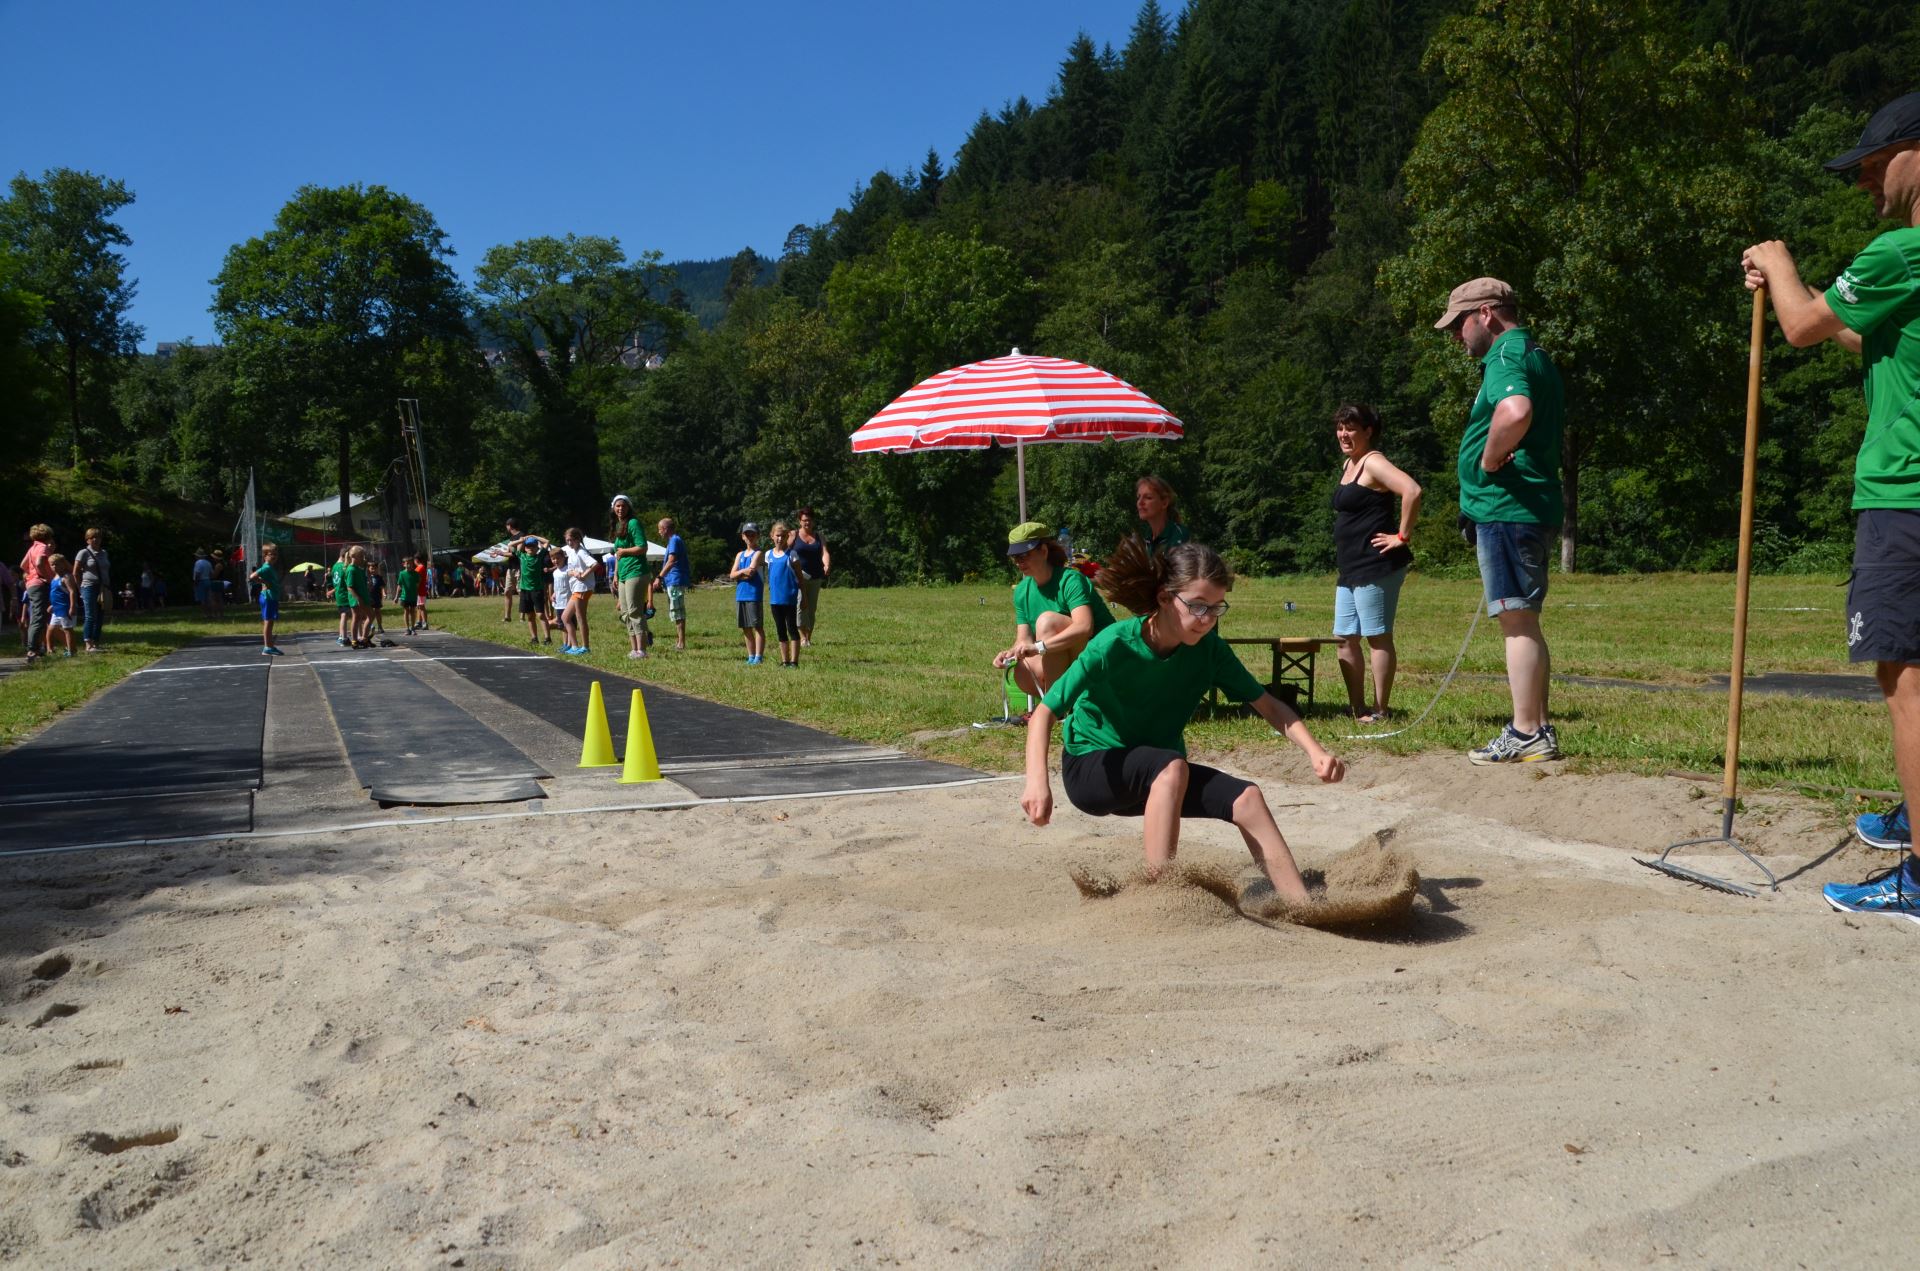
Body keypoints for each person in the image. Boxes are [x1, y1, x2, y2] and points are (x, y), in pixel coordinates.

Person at [1742, 92, 1920, 923]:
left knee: (1906, 677)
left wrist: (1779, 266)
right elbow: (1857, 329)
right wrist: (1808, 292)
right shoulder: (1903, 269)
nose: (1865, 184)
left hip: (1905, 492)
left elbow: (1806, 327)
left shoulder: (1902, 248)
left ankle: (1919, 871)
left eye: (1875, 165)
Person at [1019, 537, 1345, 905]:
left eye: (1217, 608)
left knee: (1248, 798)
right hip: (1093, 768)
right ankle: (1162, 901)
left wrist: (1315, 751)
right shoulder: (1114, 644)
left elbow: (1270, 706)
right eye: (1197, 606)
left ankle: (1301, 906)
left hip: (1159, 778)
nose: (1207, 620)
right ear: (1163, 597)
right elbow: (1044, 712)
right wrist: (1037, 784)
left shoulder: (1210, 652)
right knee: (1170, 766)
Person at [1437, 276, 1565, 765]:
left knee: (1515, 622)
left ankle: (1526, 731)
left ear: (1486, 314)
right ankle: (1538, 729)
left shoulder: (1506, 356)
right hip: (1522, 509)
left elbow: (1515, 411)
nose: (1455, 336)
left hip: (1509, 510)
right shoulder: (1531, 352)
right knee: (1524, 622)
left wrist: (1489, 461)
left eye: (1459, 324)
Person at [1330, 404, 1422, 721]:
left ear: (1368, 431)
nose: (1344, 434)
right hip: (1351, 567)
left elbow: (1411, 490)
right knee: (1345, 638)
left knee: (1377, 636)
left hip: (1376, 565)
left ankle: (1382, 709)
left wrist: (1402, 536)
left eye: (1351, 428)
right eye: (1341, 427)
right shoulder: (1350, 463)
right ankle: (1358, 709)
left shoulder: (1375, 462)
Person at [993, 520, 1115, 702]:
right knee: (1022, 671)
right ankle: (1069, 701)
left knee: (1047, 622)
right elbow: (1023, 639)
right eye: (1015, 558)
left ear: (1043, 551)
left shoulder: (1071, 580)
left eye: (1024, 555)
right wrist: (1011, 653)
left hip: (1105, 656)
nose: (1019, 563)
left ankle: (1054, 706)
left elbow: (1085, 627)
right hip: (1069, 656)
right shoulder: (1021, 591)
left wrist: (1039, 646)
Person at [609, 495, 652, 660]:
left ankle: (642, 650)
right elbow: (618, 555)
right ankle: (634, 649)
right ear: (613, 508)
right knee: (625, 612)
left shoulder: (633, 523)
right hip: (623, 573)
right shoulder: (619, 525)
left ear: (629, 507)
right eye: (617, 506)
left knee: (635, 611)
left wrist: (625, 551)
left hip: (637, 571)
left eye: (623, 506)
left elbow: (642, 547)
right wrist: (615, 574)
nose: (620, 509)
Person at [790, 507, 831, 647]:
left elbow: (824, 552)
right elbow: (785, 552)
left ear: (813, 521)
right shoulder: (793, 535)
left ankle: (808, 637)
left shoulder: (819, 536)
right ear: (799, 521)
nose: (807, 523)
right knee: (801, 604)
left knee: (812, 608)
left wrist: (826, 564)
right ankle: (802, 638)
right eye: (804, 520)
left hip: (815, 577)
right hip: (797, 577)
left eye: (809, 520)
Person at [765, 521, 803, 668]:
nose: (780, 539)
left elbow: (800, 579)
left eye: (782, 536)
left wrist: (804, 597)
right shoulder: (768, 555)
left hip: (790, 600)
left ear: (787, 536)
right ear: (772, 536)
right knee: (780, 630)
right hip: (775, 600)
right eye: (777, 536)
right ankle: (784, 660)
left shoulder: (792, 555)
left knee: (792, 629)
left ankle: (794, 661)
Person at [506, 520, 550, 645]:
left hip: (537, 589)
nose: (530, 548)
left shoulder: (539, 556)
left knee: (541, 615)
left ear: (537, 548)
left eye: (533, 546)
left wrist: (533, 537)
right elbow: (510, 544)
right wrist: (522, 540)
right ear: (525, 548)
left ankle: (547, 638)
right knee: (530, 616)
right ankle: (534, 638)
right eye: (528, 546)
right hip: (525, 590)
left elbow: (546, 542)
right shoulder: (522, 556)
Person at [730, 522, 766, 665]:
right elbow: (731, 575)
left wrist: (740, 573)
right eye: (747, 534)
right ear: (743, 537)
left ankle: (759, 656)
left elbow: (751, 572)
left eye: (753, 534)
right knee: (745, 627)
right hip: (741, 594)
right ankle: (750, 655)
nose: (750, 537)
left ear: (757, 536)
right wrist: (741, 573)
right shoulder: (740, 554)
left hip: (753, 594)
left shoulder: (758, 553)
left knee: (757, 626)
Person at [19, 524, 54, 664]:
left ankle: (37, 648)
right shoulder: (43, 547)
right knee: (38, 617)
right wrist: (46, 577)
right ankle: (32, 649)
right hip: (39, 584)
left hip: (31, 585)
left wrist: (30, 575)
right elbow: (40, 563)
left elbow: (23, 565)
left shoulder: (32, 547)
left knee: (37, 616)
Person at [73, 528, 110, 653]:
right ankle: (88, 643)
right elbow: (75, 572)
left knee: (100, 615)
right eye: (92, 537)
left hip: (102, 587)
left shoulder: (104, 553)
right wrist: (80, 589)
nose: (96, 539)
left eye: (98, 537)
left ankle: (95, 642)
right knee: (90, 615)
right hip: (88, 586)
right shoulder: (83, 553)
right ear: (87, 539)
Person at [1135, 475, 1190, 558]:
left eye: (1148, 497)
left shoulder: (1179, 535)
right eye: (1138, 497)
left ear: (1164, 503)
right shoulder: (1147, 539)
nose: (1140, 502)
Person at [656, 517, 690, 650]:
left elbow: (671, 561)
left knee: (677, 610)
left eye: (660, 529)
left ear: (665, 529)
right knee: (675, 610)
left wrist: (659, 576)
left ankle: (681, 643)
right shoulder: (673, 541)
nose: (659, 532)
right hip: (672, 580)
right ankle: (679, 640)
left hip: (675, 580)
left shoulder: (674, 540)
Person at [561, 527, 594, 655]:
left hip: (583, 588)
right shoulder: (572, 552)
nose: (569, 543)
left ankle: (585, 647)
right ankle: (574, 647)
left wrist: (584, 574)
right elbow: (569, 570)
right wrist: (574, 572)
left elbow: (594, 564)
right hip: (576, 588)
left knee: (581, 618)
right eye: (567, 540)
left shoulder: (581, 552)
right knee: (565, 617)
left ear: (578, 539)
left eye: (572, 540)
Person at [248, 544, 285, 656]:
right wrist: (263, 582)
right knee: (268, 622)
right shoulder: (266, 567)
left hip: (271, 597)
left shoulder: (270, 567)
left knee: (270, 622)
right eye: (271, 554)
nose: (274, 556)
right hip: (268, 597)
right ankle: (267, 647)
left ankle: (270, 646)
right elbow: (252, 576)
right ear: (265, 556)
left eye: (275, 554)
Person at [46, 554, 75, 656]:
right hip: (56, 608)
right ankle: (50, 650)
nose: (54, 567)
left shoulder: (66, 577)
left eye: (57, 564)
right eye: (52, 565)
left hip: (65, 608)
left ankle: (71, 651)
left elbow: (72, 592)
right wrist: (52, 605)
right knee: (51, 628)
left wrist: (72, 607)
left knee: (67, 629)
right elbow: (54, 593)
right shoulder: (54, 577)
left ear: (63, 564)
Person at [346, 545, 373, 648]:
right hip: (357, 598)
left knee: (358, 617)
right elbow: (350, 587)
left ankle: (357, 640)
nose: (363, 558)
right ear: (353, 556)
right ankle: (361, 639)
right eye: (361, 556)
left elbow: (363, 578)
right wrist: (358, 598)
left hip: (363, 596)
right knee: (369, 615)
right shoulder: (351, 570)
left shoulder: (358, 568)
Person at [548, 546, 575, 651]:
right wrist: (554, 594)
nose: (555, 561)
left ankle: (570, 644)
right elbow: (557, 586)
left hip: (568, 602)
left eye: (558, 558)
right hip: (559, 602)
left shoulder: (568, 570)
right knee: (561, 626)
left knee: (567, 624)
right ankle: (565, 644)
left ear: (564, 557)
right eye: (553, 559)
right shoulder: (555, 572)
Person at [396, 550, 422, 635]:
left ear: (413, 564)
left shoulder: (416, 574)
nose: (409, 565)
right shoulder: (402, 574)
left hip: (413, 596)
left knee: (413, 611)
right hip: (404, 597)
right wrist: (396, 596)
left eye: (410, 563)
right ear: (403, 564)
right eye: (407, 563)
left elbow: (417, 584)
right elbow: (399, 585)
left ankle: (413, 627)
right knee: (406, 611)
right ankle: (407, 628)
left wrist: (417, 593)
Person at [193, 548, 217, 620]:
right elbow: (212, 574)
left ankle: (205, 614)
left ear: (198, 556)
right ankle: (212, 614)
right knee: (209, 599)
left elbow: (197, 574)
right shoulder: (208, 563)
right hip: (208, 581)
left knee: (202, 599)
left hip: (201, 581)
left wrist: (195, 583)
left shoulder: (198, 563)